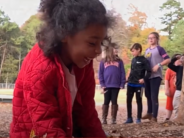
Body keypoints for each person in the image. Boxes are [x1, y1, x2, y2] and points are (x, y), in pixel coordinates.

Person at [10, 0, 114, 137]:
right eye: (92, 43)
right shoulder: (40, 68)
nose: (98, 51)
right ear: (64, 33)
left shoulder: (83, 63)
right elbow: (46, 125)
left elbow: (86, 113)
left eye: (101, 43)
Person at [143, 32, 170, 122]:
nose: (150, 39)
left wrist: (158, 65)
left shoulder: (159, 49)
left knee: (154, 96)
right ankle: (149, 113)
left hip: (156, 76)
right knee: (148, 95)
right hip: (148, 76)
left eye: (153, 38)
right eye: (149, 38)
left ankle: (154, 116)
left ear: (157, 39)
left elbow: (168, 59)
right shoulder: (146, 50)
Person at [99, 44, 126, 125]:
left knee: (114, 101)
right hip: (106, 85)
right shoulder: (103, 61)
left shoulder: (119, 61)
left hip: (116, 85)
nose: (116, 51)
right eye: (115, 49)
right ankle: (104, 118)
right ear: (110, 50)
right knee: (106, 101)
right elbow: (100, 73)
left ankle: (113, 119)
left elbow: (122, 72)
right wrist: (102, 84)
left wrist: (122, 83)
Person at [125, 43, 151, 124]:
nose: (132, 53)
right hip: (130, 83)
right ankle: (129, 118)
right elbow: (132, 70)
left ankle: (138, 118)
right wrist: (128, 79)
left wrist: (144, 79)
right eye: (131, 51)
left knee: (138, 101)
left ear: (138, 49)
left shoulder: (144, 60)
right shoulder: (133, 60)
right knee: (128, 100)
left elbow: (149, 72)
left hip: (139, 84)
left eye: (133, 51)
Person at [168, 54, 183, 119]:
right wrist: (175, 58)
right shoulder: (179, 68)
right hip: (179, 89)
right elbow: (169, 65)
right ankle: (177, 117)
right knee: (175, 103)